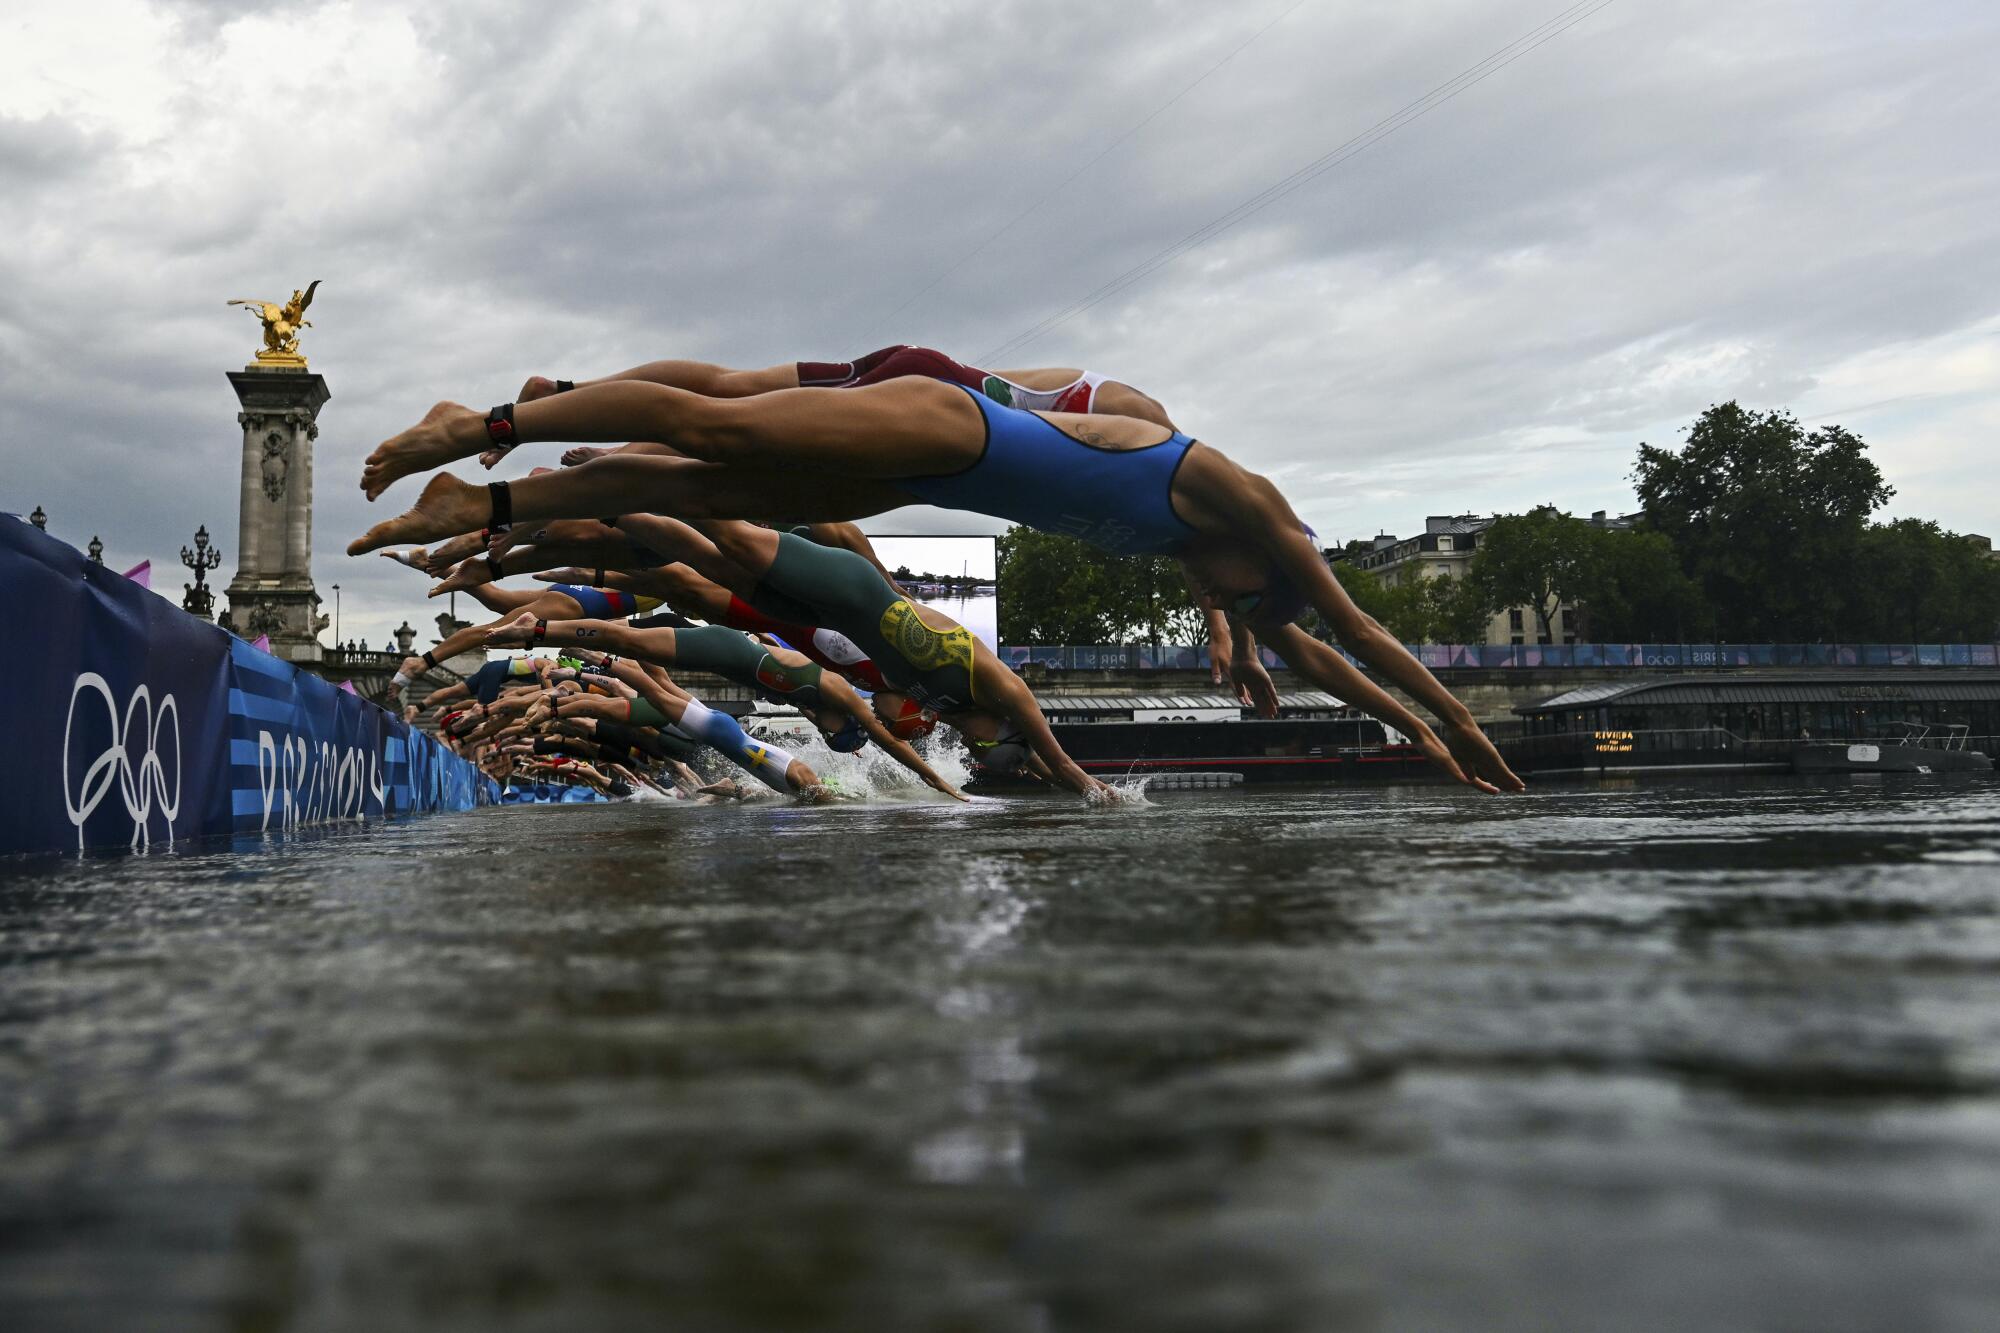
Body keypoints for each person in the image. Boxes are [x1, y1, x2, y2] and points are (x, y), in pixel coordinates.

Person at [351, 372, 1522, 792]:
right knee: (716, 433)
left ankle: (491, 503)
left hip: (943, 472)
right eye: (1249, 604)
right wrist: (1458, 716)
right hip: (953, 421)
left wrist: (1414, 740)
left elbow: (1322, 653)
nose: (1239, 610)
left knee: (711, 487)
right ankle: (485, 428)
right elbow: (1356, 625)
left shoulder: (1224, 570)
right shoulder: (1243, 501)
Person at [482, 613, 967, 801]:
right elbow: (886, 740)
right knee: (646, 673)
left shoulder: (825, 708)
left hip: (735, 689)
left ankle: (574, 655)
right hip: (734, 655)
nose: (827, 736)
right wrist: (937, 781)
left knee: (656, 685)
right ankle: (554, 634)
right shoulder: (841, 695)